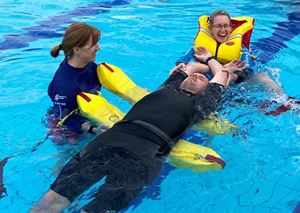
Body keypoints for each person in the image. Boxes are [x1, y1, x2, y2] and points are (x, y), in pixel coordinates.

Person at [30, 47, 246, 213]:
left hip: (144, 155)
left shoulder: (202, 104)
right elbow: (190, 68)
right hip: (109, 139)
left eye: (203, 81)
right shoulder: (168, 86)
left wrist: (216, 65)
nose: (197, 77)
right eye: (195, 76)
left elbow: (220, 77)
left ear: (207, 92)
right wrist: (200, 64)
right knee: (52, 199)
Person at [176, 10, 286, 96]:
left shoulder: (240, 48)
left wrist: (233, 74)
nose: (223, 30)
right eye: (218, 26)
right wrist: (181, 64)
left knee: (263, 76)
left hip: (232, 79)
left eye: (226, 26)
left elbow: (248, 69)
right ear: (210, 28)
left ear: (231, 28)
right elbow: (183, 59)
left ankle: (283, 100)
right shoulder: (201, 46)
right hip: (209, 80)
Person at [46, 22, 106, 143]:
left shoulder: (89, 66)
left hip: (86, 113)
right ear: (77, 49)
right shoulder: (65, 85)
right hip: (65, 128)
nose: (98, 48)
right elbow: (64, 118)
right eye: (93, 44)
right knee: (68, 154)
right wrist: (93, 129)